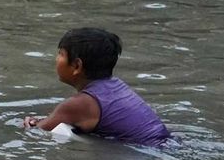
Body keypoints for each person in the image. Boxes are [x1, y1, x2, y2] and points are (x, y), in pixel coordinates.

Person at [24, 28, 171, 146]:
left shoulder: (78, 104)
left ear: (76, 65)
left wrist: (29, 123)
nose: (56, 59)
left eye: (60, 54)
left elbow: (39, 131)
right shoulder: (116, 85)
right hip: (167, 144)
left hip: (152, 152)